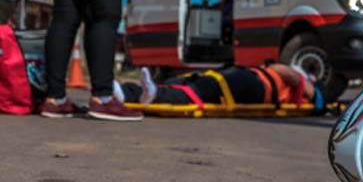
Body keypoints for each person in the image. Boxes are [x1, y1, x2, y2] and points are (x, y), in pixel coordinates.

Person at [115, 64, 322, 109]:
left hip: (258, 86)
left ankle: (153, 93)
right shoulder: (296, 80)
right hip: (250, 80)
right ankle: (124, 91)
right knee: (192, 81)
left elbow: (285, 72)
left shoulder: (308, 88)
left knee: (205, 87)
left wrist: (301, 78)